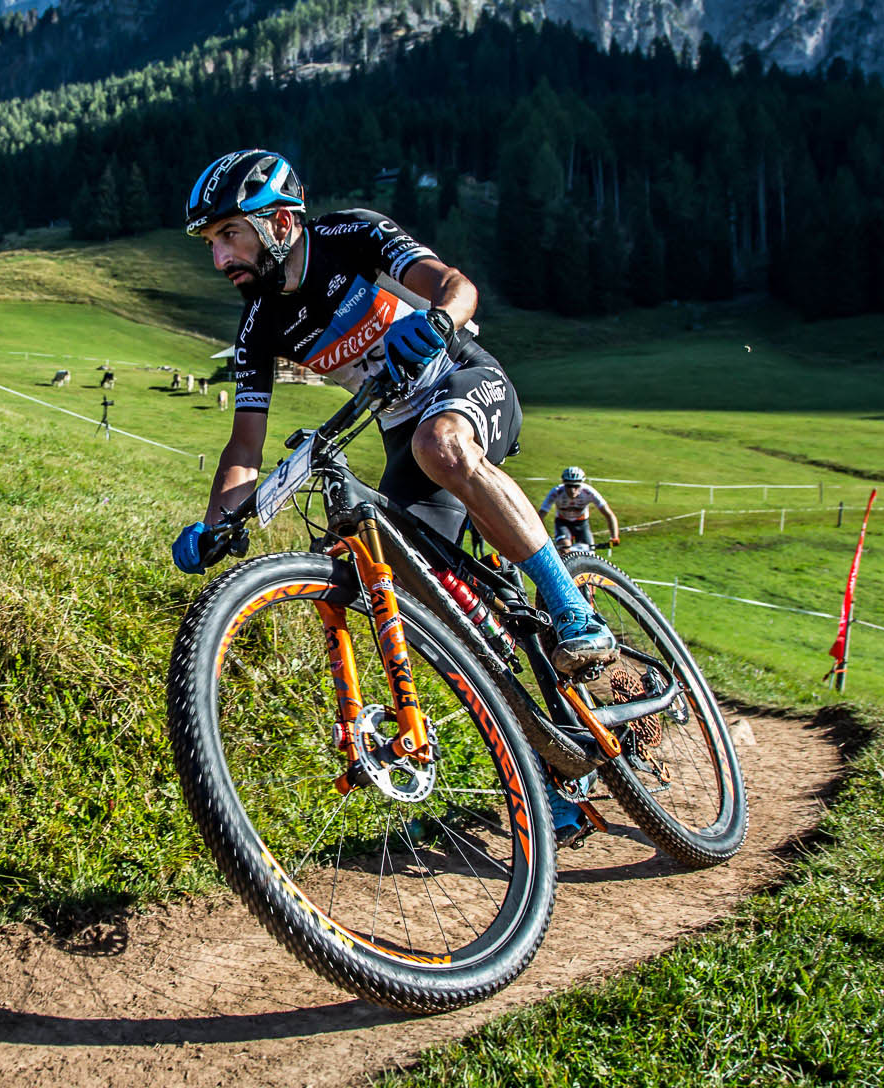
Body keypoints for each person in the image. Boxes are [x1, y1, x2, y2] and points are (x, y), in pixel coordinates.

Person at [169, 150, 616, 845]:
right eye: (211, 242)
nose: (219, 255)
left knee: (443, 447)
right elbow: (244, 447)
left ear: (281, 221)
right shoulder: (260, 323)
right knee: (429, 595)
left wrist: (438, 320)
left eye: (230, 234)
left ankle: (571, 606)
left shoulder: (351, 236)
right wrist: (215, 526)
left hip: (466, 385)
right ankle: (544, 760)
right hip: (403, 435)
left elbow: (458, 287)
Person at [539, 466, 619, 552]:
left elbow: (609, 514)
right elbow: (540, 515)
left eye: (576, 486)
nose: (572, 490)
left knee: (589, 554)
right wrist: (540, 535)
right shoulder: (556, 492)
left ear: (582, 483)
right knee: (565, 548)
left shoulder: (588, 492)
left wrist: (614, 536)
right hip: (562, 523)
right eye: (569, 486)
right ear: (563, 483)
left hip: (582, 523)